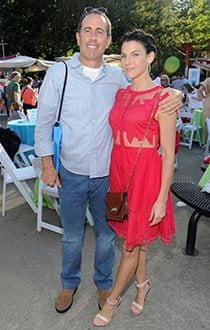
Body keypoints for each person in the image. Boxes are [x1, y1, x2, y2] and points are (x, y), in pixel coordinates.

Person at [35, 8, 181, 315]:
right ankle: (68, 283)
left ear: (107, 39)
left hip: (109, 176)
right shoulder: (59, 73)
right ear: (78, 37)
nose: (92, 37)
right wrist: (47, 163)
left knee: (107, 236)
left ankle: (104, 283)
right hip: (71, 171)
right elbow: (44, 122)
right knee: (72, 236)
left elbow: (149, 91)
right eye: (87, 30)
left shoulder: (118, 76)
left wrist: (175, 95)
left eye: (99, 32)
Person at [93, 29, 176, 327]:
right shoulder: (122, 92)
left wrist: (161, 199)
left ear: (151, 57)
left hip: (145, 176)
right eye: (124, 56)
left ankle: (112, 302)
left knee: (130, 246)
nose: (128, 62)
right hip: (120, 173)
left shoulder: (164, 99)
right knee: (135, 239)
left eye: (135, 55)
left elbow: (168, 154)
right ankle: (143, 286)